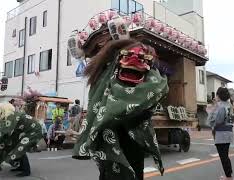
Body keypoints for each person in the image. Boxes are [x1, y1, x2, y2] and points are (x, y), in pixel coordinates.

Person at [72, 39, 168, 180]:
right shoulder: (110, 85)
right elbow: (158, 88)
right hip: (122, 145)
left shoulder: (105, 81)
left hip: (120, 147)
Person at [0, 101, 43, 177]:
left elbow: (3, 131)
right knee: (15, 147)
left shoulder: (10, 116)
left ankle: (26, 171)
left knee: (20, 149)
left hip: (33, 130)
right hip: (24, 131)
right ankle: (21, 167)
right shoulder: (4, 116)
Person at [208, 87, 234, 180]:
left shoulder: (220, 106)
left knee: (223, 157)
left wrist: (213, 107)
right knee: (225, 156)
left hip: (220, 133)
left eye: (216, 95)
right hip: (228, 133)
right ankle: (229, 175)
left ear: (218, 95)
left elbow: (214, 121)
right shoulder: (229, 105)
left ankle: (229, 177)